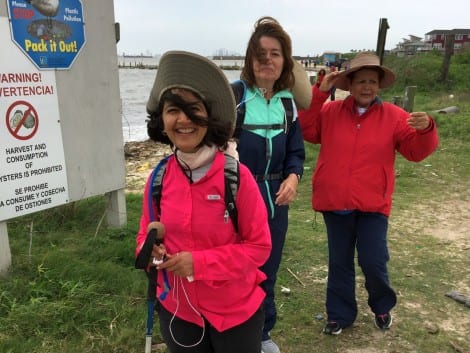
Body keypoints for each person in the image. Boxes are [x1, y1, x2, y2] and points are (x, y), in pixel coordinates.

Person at [136, 50, 272, 353]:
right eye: (173, 110)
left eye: (193, 109)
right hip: (178, 311)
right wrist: (151, 253)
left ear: (209, 117)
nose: (183, 120)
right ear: (162, 120)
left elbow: (259, 248)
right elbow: (144, 237)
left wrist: (198, 263)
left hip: (236, 314)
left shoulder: (237, 177)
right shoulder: (158, 179)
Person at [298, 52, 439, 335]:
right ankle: (339, 315)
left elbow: (415, 152)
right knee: (339, 263)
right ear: (349, 84)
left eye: (371, 81)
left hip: (373, 204)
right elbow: (306, 129)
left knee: (373, 260)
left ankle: (382, 306)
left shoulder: (396, 117)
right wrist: (319, 94)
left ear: (379, 85)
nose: (366, 86)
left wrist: (427, 130)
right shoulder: (330, 111)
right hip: (335, 202)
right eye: (360, 80)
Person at [234, 16, 306, 353]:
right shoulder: (233, 97)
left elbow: (296, 152)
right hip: (235, 201)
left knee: (268, 271)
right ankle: (229, 333)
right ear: (250, 59)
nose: (267, 60)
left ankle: (261, 335)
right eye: (261, 53)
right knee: (235, 270)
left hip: (275, 201)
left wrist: (293, 176)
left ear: (284, 61)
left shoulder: (289, 104)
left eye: (275, 53)